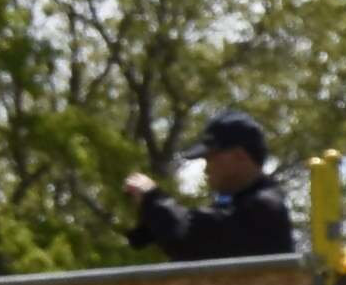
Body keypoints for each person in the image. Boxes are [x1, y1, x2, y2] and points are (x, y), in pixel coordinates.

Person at [124, 112, 296, 261]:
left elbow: (192, 238)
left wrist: (153, 199)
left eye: (210, 158)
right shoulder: (241, 203)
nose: (206, 168)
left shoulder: (264, 207)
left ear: (239, 156)